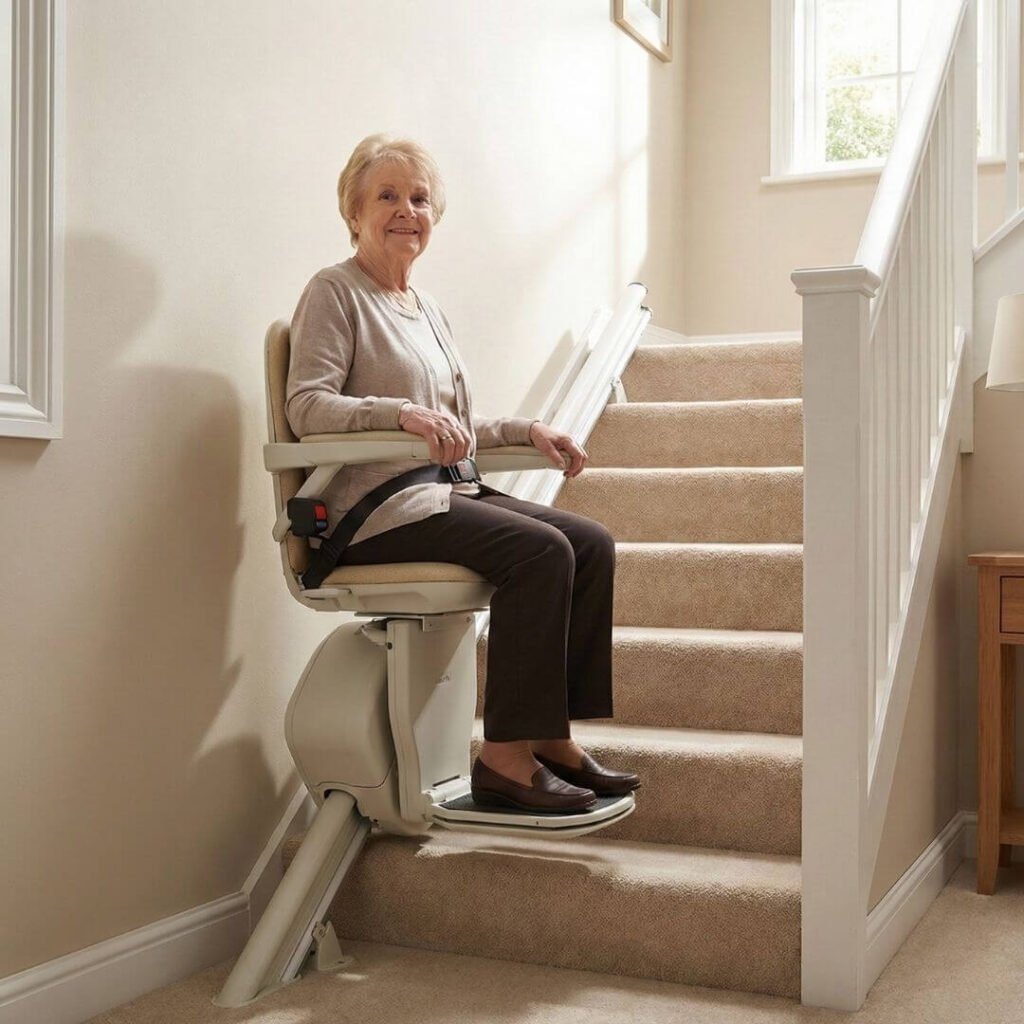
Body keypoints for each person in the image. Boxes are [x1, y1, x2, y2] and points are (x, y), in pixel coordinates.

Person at [286, 134, 640, 813]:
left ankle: (547, 737)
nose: (406, 209)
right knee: (540, 552)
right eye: (387, 195)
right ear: (353, 211)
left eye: (419, 198)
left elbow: (453, 426)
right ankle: (505, 762)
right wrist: (402, 414)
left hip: (442, 493)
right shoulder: (336, 292)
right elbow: (307, 406)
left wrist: (525, 432)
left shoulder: (427, 310)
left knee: (588, 542)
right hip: (374, 514)